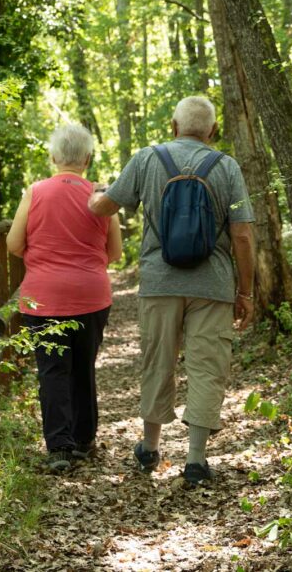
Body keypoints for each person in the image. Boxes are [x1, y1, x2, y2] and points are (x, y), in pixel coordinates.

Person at [87, 96, 256, 486]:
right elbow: (242, 235)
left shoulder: (148, 159)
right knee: (206, 365)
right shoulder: (227, 166)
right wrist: (244, 291)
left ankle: (150, 447)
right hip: (212, 285)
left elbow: (105, 207)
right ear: (213, 131)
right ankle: (196, 460)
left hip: (159, 283)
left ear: (173, 126)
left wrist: (93, 192)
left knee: (158, 360)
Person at [7, 123, 123, 474]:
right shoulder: (104, 197)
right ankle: (85, 439)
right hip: (91, 295)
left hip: (44, 298)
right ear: (87, 159)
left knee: (53, 370)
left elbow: (13, 244)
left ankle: (59, 446)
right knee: (83, 366)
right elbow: (115, 253)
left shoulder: (35, 192)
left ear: (54, 157)